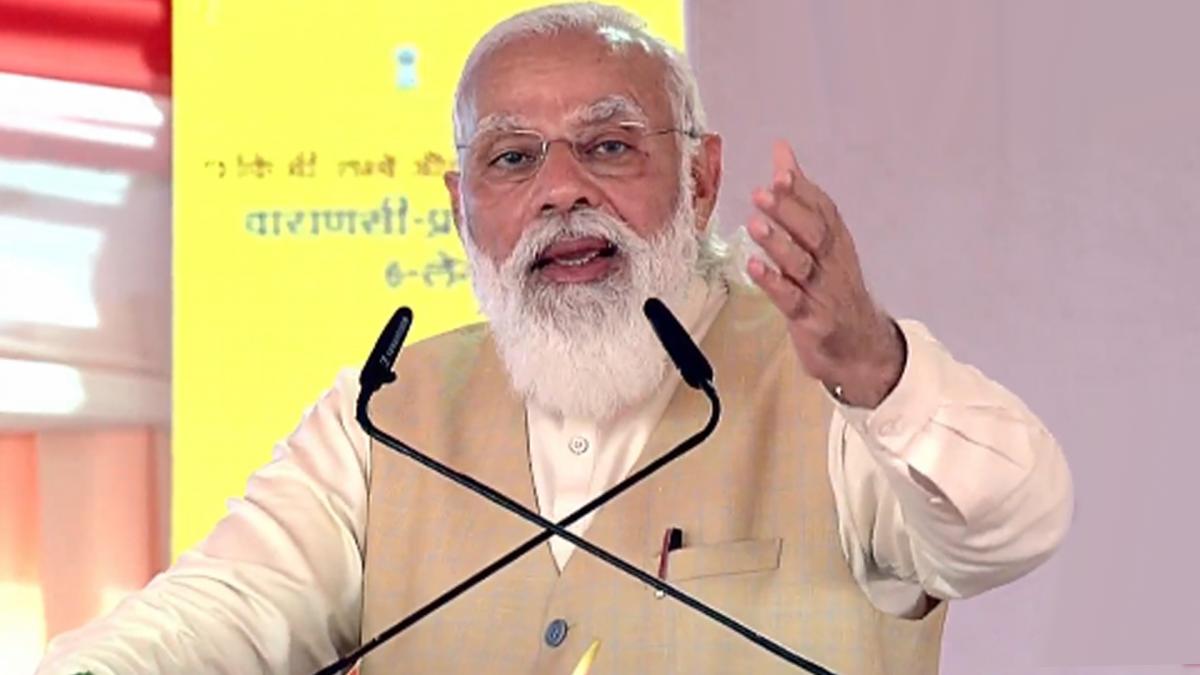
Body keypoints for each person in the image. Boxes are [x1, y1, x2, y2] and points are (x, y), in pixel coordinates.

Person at [36, 3, 1073, 674]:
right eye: (513, 158)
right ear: (460, 208)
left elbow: (1010, 526)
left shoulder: (832, 384)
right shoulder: (385, 414)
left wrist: (877, 372)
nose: (561, 191)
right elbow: (223, 612)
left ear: (701, 178)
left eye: (610, 145)